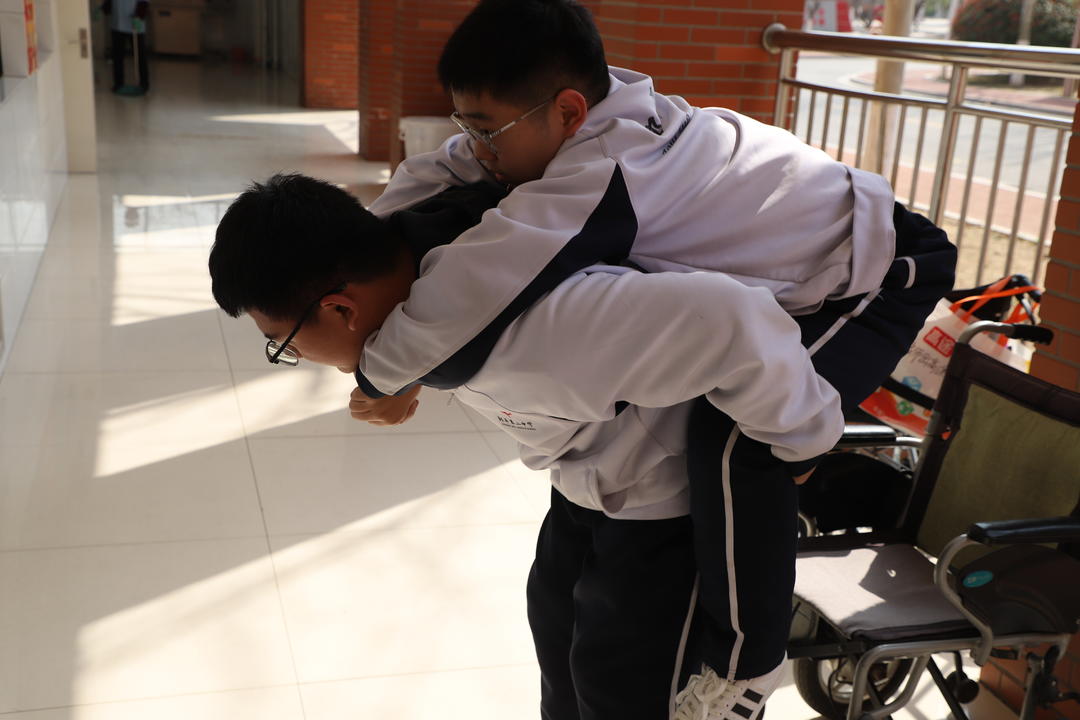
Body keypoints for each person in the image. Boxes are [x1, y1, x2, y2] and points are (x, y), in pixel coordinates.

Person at [349, 0, 956, 716]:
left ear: (568, 111)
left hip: (878, 272)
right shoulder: (581, 116)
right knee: (729, 404)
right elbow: (439, 171)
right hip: (791, 266)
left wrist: (379, 373)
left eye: (487, 131)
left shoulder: (608, 171)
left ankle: (745, 668)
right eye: (468, 127)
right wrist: (343, 253)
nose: (476, 150)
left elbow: (479, 288)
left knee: (744, 439)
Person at [208, 173, 848, 720]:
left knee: (624, 695)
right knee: (565, 672)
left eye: (283, 343)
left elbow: (734, 322)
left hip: (662, 514)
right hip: (583, 489)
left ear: (341, 310)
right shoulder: (415, 276)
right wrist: (399, 375)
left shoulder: (547, 329)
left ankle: (747, 666)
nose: (294, 356)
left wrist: (802, 445)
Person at [105, 0, 150, 93]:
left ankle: (144, 84)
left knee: (140, 56)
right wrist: (102, 9)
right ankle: (118, 84)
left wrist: (139, 16)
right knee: (117, 56)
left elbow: (144, 2)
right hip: (117, 24)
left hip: (135, 23)